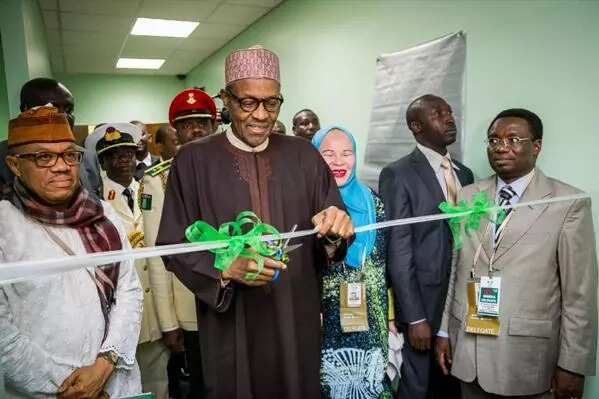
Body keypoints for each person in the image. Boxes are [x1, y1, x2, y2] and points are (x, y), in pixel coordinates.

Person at [156, 46, 354, 399]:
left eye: (272, 103)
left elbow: (331, 230)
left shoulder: (303, 156)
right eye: (248, 103)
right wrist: (225, 267)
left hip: (296, 315)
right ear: (226, 100)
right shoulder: (192, 161)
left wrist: (336, 230)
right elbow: (172, 244)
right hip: (232, 325)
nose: (261, 115)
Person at [436, 108, 598, 399]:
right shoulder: (469, 195)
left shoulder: (568, 203)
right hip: (469, 350)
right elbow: (457, 267)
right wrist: (445, 331)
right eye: (494, 140)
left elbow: (580, 295)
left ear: (536, 146)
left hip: (527, 360)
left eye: (513, 139)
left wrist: (573, 366)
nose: (501, 148)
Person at [0, 106, 143, 398]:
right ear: (15, 165)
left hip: (115, 379)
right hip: (48, 391)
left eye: (69, 154)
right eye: (43, 157)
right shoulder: (5, 225)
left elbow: (129, 291)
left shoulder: (103, 214)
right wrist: (72, 388)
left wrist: (104, 367)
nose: (61, 166)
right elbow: (4, 335)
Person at [379, 94, 474, 399]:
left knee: (452, 382)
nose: (449, 119)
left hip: (459, 300)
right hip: (423, 301)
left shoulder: (465, 173)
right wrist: (414, 316)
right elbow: (399, 247)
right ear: (416, 126)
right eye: (438, 114)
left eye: (449, 113)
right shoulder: (399, 173)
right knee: (419, 386)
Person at [140, 88, 218, 399]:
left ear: (214, 125)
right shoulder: (157, 181)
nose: (196, 129)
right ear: (177, 130)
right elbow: (157, 254)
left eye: (203, 121)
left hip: (240, 299)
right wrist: (168, 321)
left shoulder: (232, 169)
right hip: (191, 306)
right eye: (187, 124)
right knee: (203, 386)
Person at [312, 126, 393, 399]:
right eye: (328, 154)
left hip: (371, 317)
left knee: (369, 387)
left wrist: (390, 313)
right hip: (324, 319)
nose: (338, 161)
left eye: (346, 153)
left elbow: (384, 262)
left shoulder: (375, 202)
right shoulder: (307, 205)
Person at [96, 123, 169, 399]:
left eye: (128, 152)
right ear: (102, 161)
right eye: (115, 154)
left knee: (158, 382)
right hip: (117, 315)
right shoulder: (96, 199)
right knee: (119, 388)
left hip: (155, 309)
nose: (124, 158)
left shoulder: (151, 188)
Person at [0, 78, 79, 189]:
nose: (63, 117)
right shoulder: (3, 155)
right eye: (53, 108)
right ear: (25, 109)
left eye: (68, 110)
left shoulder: (85, 155)